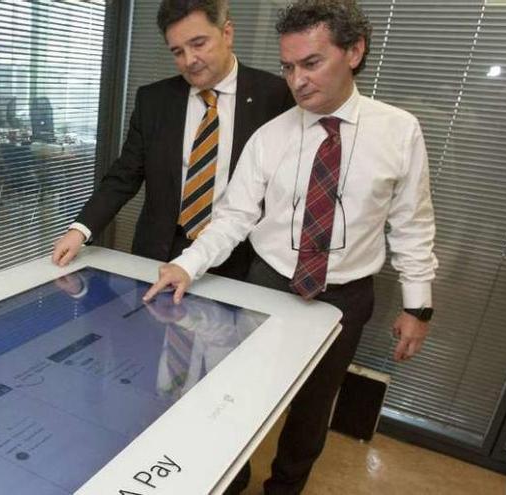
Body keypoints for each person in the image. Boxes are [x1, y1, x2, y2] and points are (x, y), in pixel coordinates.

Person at [143, 0, 438, 492]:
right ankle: (230, 482)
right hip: (269, 283)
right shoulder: (269, 138)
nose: (296, 80)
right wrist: (187, 265)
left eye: (311, 63)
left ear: (354, 51)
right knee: (236, 395)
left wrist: (418, 305)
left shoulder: (399, 131)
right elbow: (234, 217)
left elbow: (411, 223)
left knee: (313, 406)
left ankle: (285, 487)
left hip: (345, 297)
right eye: (288, 66)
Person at [51, 0, 295, 282]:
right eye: (178, 51)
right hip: (158, 251)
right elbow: (123, 176)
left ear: (227, 33)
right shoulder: (153, 100)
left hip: (235, 259)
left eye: (199, 43)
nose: (189, 60)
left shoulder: (275, 97)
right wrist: (80, 229)